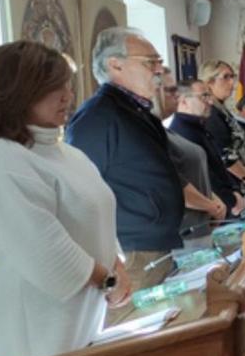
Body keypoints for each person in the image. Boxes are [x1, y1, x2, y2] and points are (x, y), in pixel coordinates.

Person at [0, 41, 132, 356]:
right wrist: (108, 279)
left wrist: (116, 263)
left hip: (80, 309)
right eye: (54, 88)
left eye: (67, 85)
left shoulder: (65, 153)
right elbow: (45, 249)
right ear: (17, 92)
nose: (67, 96)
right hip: (36, 318)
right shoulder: (2, 158)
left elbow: (96, 215)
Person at [67, 27, 184, 292]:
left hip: (154, 248)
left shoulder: (137, 112)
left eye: (159, 62)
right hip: (131, 255)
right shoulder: (98, 117)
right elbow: (78, 192)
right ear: (115, 64)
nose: (157, 70)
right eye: (149, 62)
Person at [155, 67, 226, 245]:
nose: (176, 96)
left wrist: (214, 200)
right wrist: (211, 205)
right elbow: (173, 182)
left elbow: (198, 174)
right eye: (171, 91)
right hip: (186, 232)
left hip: (202, 224)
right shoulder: (162, 132)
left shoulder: (165, 131)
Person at [168, 80, 245, 217]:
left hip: (224, 205)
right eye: (203, 97)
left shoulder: (199, 126)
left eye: (209, 96)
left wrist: (234, 190)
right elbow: (205, 176)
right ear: (183, 100)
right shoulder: (182, 132)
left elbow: (219, 165)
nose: (210, 102)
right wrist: (231, 199)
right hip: (212, 211)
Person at [200, 61, 245, 193]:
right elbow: (225, 154)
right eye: (226, 77)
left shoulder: (221, 109)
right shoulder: (211, 112)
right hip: (230, 187)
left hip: (240, 183)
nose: (232, 83)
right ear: (209, 82)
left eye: (233, 77)